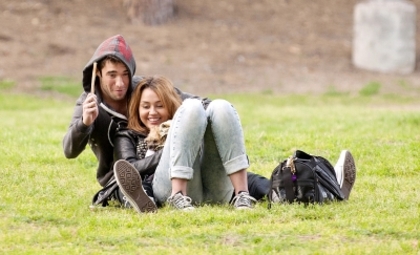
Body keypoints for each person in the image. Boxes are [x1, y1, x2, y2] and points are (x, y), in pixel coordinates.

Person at [62, 34, 269, 212]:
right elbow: (69, 150)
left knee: (216, 106)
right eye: (112, 75)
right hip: (125, 177)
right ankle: (141, 196)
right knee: (134, 179)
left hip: (193, 174)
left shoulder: (143, 88)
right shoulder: (89, 104)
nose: (120, 83)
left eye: (125, 74)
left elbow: (189, 103)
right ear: (98, 73)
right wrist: (85, 123)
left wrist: (222, 120)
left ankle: (243, 194)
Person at [114, 75, 258, 211]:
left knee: (221, 105)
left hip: (215, 189)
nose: (152, 112)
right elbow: (129, 168)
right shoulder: (127, 134)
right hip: (166, 187)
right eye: (146, 106)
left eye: (159, 106)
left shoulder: (189, 123)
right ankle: (178, 195)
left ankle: (242, 195)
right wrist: (173, 147)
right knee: (192, 105)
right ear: (137, 108)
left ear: (170, 105)